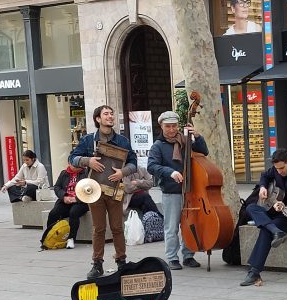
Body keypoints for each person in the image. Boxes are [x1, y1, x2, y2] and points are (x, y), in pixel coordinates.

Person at [69, 105, 137, 279]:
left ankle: (121, 261)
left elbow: (133, 162)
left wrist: (123, 172)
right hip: (94, 189)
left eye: (111, 113)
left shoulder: (122, 141)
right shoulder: (87, 140)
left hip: (115, 189)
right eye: (106, 114)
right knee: (98, 228)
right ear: (98, 119)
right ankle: (97, 264)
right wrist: (87, 161)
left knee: (117, 227)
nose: (110, 116)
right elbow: (72, 159)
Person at [240, 149, 287, 286]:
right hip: (275, 210)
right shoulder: (275, 169)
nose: (279, 172)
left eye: (282, 168)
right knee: (250, 208)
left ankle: (254, 271)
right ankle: (275, 231)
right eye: (277, 169)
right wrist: (262, 187)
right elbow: (264, 176)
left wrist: (285, 206)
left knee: (265, 230)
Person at [147, 110, 207, 270]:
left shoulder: (186, 140)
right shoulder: (157, 146)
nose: (172, 130)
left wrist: (198, 137)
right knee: (171, 227)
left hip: (191, 191)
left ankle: (188, 255)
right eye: (168, 126)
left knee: (189, 224)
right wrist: (170, 172)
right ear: (161, 126)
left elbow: (203, 152)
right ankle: (172, 258)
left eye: (174, 126)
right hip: (171, 190)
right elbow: (151, 166)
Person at [40, 163, 89, 249]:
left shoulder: (86, 173)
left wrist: (77, 199)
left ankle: (71, 238)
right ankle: (49, 236)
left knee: (73, 213)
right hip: (65, 201)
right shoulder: (64, 173)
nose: (76, 167)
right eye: (73, 165)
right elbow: (57, 187)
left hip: (81, 202)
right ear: (69, 164)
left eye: (78, 165)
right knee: (53, 213)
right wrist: (64, 197)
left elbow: (91, 190)